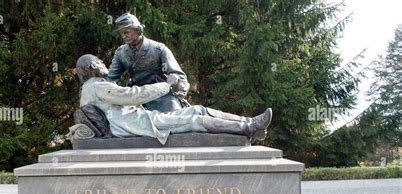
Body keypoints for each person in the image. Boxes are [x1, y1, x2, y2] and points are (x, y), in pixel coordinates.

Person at [76, 54, 272, 145]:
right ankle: (250, 128)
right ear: (93, 65)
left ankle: (251, 124)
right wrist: (167, 86)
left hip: (139, 120)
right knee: (192, 119)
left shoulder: (92, 88)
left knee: (197, 110)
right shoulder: (96, 86)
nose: (103, 63)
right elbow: (132, 95)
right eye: (100, 61)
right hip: (138, 124)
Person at [107, 12, 190, 112]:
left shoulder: (159, 49)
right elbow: (110, 78)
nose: (124, 36)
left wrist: (178, 88)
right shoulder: (121, 53)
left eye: (127, 32)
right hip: (135, 98)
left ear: (138, 30)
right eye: (122, 33)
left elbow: (178, 75)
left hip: (161, 97)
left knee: (176, 118)